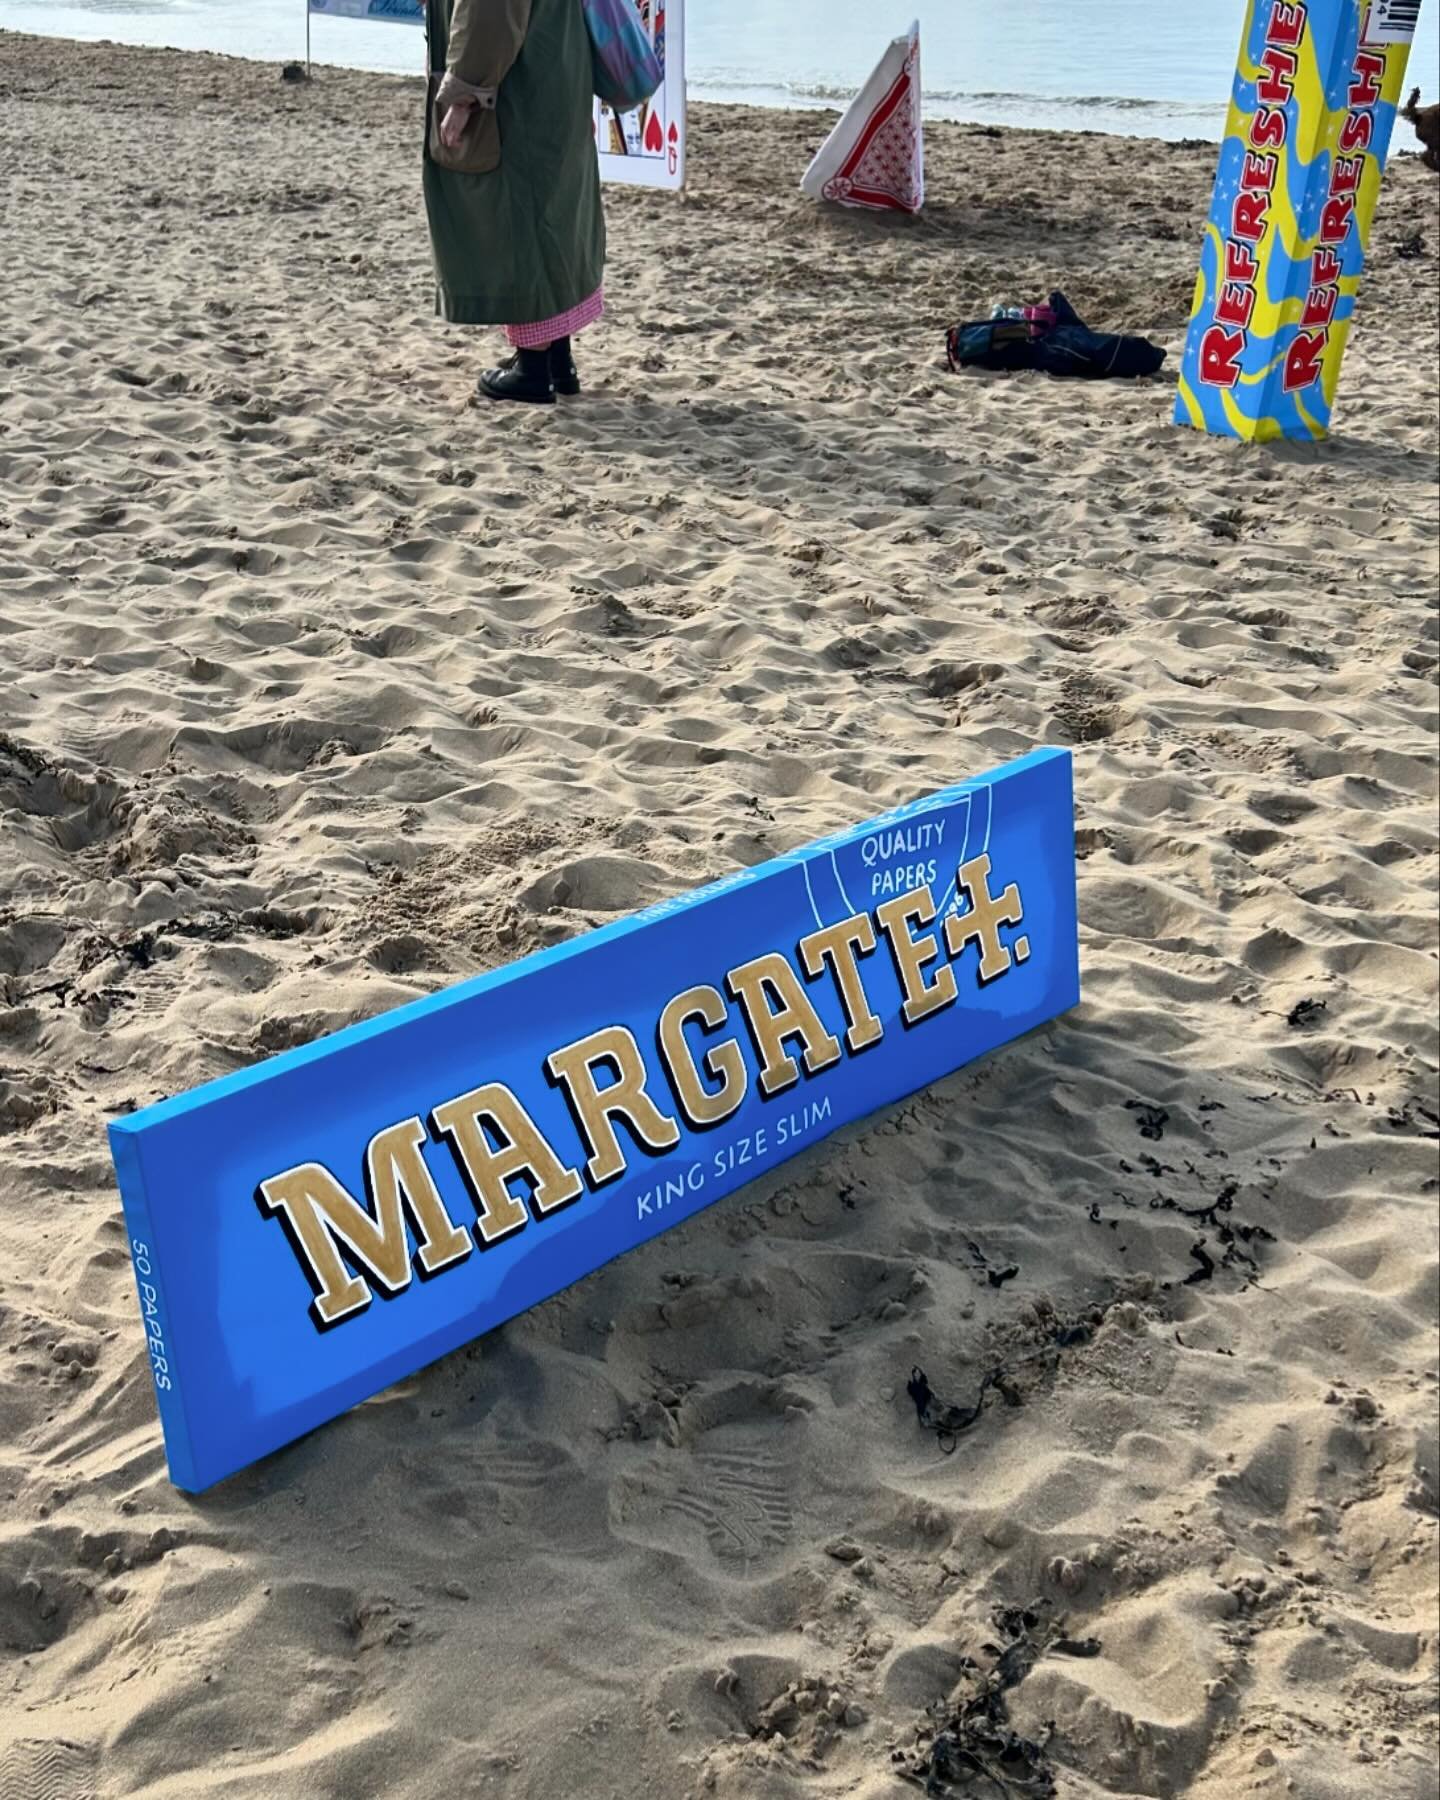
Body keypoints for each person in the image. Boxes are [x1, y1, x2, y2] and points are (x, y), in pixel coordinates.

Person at [422, 0, 606, 404]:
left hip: (520, 89)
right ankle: (557, 359)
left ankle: (533, 370)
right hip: (551, 73)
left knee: (519, 215)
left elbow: (489, 13)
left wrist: (462, 95)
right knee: (551, 212)